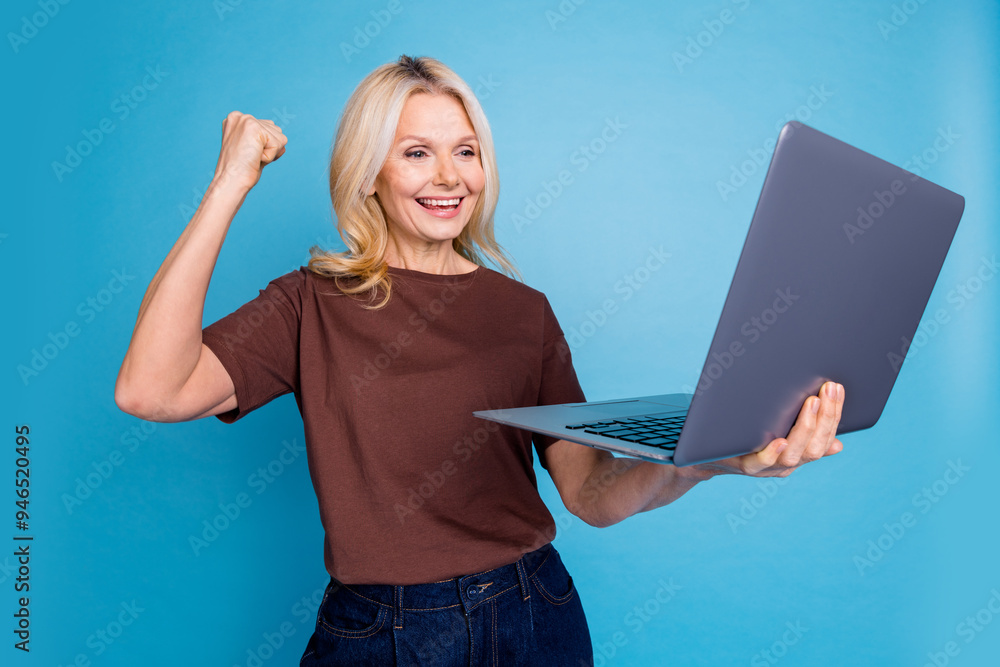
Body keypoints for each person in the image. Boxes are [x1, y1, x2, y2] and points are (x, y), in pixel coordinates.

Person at [114, 55, 845, 666]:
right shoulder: (311, 302)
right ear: (369, 171)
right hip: (382, 631)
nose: (449, 176)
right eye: (416, 151)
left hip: (535, 613)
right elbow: (152, 387)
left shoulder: (524, 312)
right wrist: (231, 182)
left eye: (466, 150)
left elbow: (591, 495)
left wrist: (705, 457)